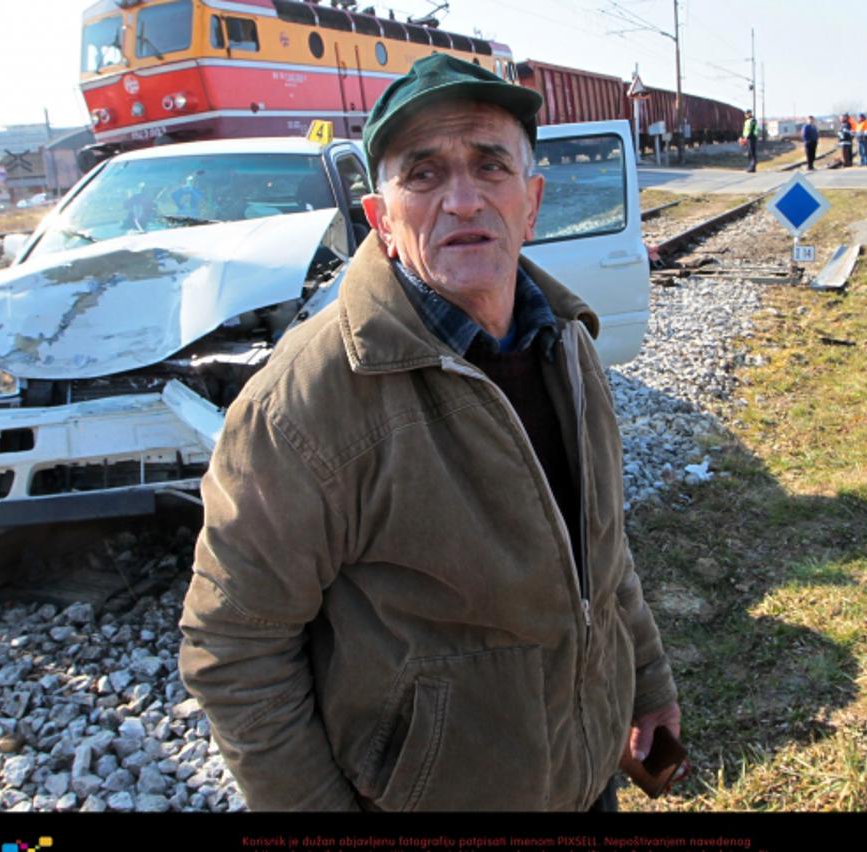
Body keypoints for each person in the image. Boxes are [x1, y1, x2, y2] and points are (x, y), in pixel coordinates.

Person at [178, 52, 681, 812]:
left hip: (586, 781)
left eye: (490, 167)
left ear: (532, 201)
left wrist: (647, 686)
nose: (463, 200)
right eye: (423, 174)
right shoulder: (303, 404)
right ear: (381, 220)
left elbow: (603, 554)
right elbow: (234, 649)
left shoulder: (570, 343)